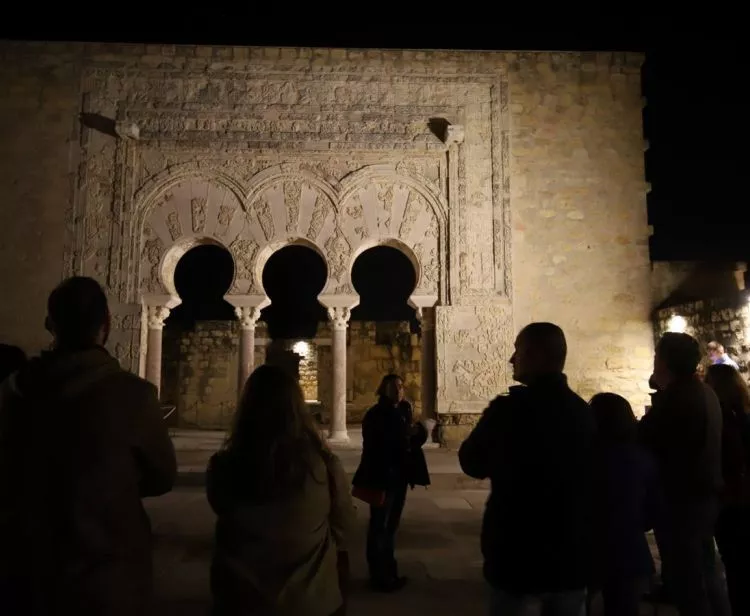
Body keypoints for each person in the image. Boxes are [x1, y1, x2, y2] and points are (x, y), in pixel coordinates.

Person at [0, 276, 177, 615]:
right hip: (107, 580)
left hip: (28, 577)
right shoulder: (134, 396)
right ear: (107, 324)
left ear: (50, 324)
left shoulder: (13, 392)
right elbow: (162, 477)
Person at [458, 322, 595, 616]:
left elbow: (471, 462)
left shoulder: (509, 411)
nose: (511, 359)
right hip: (570, 557)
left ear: (535, 355)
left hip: (517, 557)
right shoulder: (583, 413)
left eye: (518, 351)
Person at [207, 364, 356, 616]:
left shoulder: (223, 466)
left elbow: (222, 509)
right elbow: (346, 527)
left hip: (242, 601)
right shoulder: (323, 466)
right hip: (311, 601)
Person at [640, 333, 730, 616]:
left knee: (687, 581)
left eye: (657, 358)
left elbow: (645, 436)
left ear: (666, 362)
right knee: (707, 572)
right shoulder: (704, 392)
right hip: (703, 496)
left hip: (682, 502)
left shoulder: (677, 397)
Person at [351, 374, 430, 592]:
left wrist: (419, 433)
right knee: (380, 526)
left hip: (400, 477)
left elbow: (411, 442)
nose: (398, 390)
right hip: (383, 477)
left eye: (401, 386)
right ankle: (379, 575)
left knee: (391, 527)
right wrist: (404, 435)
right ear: (383, 390)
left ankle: (390, 572)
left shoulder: (404, 410)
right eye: (393, 387)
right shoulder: (376, 415)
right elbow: (376, 445)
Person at [589, 393, 662, 616]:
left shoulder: (586, 458)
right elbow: (653, 509)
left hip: (589, 546)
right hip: (630, 548)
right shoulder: (642, 458)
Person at [704, 363, 750, 616]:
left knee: (735, 565)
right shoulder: (744, 416)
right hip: (740, 499)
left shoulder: (722, 422)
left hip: (732, 501)